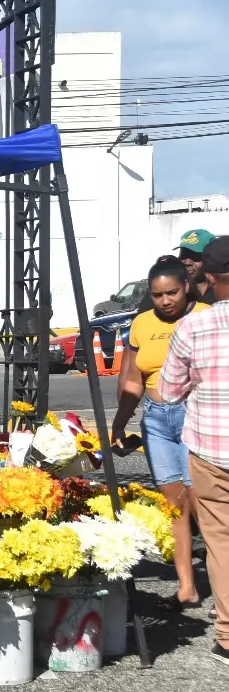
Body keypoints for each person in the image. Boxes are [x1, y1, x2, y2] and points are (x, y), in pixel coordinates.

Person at [112, 256, 209, 612]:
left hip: (195, 417)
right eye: (157, 295)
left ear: (186, 287)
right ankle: (187, 587)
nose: (166, 300)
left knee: (204, 505)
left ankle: (220, 583)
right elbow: (135, 378)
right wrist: (121, 419)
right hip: (155, 419)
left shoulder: (205, 316)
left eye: (172, 292)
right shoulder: (140, 323)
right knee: (175, 506)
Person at [159, 235, 229, 665]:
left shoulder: (194, 327)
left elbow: (168, 391)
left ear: (207, 277)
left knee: (221, 540)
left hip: (212, 450)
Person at [137, 229, 218, 312]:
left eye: (195, 256)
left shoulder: (221, 289)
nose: (187, 262)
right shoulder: (163, 290)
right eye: (184, 255)